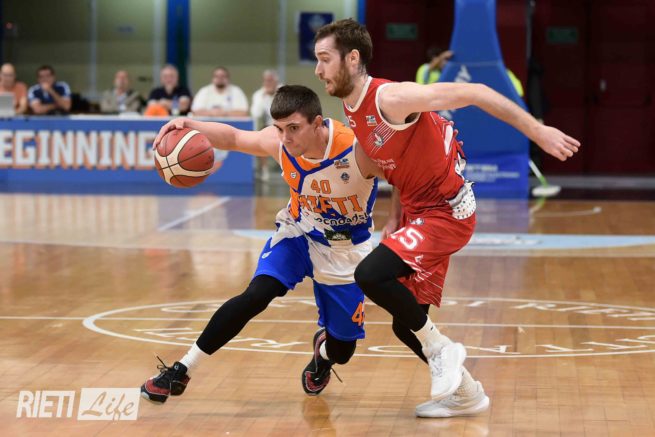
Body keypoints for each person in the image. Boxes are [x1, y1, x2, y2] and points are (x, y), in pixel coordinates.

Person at [313, 18, 580, 418]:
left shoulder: (391, 97)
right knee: (406, 323)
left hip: (446, 212)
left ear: (352, 59)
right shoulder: (353, 110)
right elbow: (397, 166)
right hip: (418, 214)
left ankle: (442, 350)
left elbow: (475, 91)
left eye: (324, 59)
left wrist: (537, 132)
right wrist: (394, 217)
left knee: (370, 274)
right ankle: (467, 394)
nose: (318, 69)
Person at [140, 85, 384, 403]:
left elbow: (405, 178)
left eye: (293, 128)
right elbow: (233, 138)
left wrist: (399, 221)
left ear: (317, 123)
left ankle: (323, 355)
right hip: (298, 233)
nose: (286, 137)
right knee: (257, 294)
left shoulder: (356, 149)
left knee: (343, 351)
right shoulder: (279, 143)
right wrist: (189, 124)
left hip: (345, 249)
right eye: (280, 129)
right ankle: (182, 369)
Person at [250, 69, 281, 180]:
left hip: (284, 124)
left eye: (271, 80)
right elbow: (255, 113)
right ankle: (264, 170)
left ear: (276, 81)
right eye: (266, 81)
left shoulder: (284, 91)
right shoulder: (259, 95)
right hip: (268, 126)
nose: (268, 83)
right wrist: (264, 98)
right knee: (260, 136)